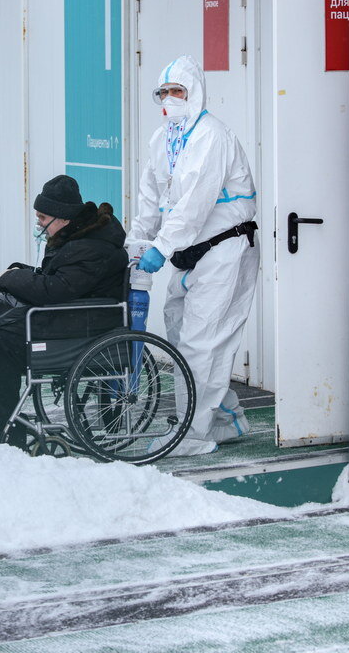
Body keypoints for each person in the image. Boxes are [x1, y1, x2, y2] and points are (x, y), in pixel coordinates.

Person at [129, 55, 258, 457]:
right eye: (164, 93)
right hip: (188, 252)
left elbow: (195, 205)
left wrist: (161, 248)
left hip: (223, 248)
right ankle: (224, 418)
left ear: (195, 93)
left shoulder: (212, 137)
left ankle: (194, 433)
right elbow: (152, 200)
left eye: (178, 92)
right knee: (181, 332)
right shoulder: (162, 140)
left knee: (202, 343)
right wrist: (136, 243)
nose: (170, 99)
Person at [0, 175, 129, 446]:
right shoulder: (80, 239)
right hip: (74, 317)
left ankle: (4, 425)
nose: (39, 224)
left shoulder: (91, 247)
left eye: (43, 218)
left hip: (86, 326)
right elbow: (60, 284)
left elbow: (55, 291)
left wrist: (8, 278)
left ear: (64, 218)